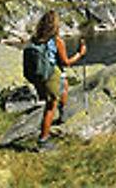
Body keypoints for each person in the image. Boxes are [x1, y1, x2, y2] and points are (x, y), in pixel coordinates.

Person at [31, 10, 86, 151]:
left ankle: (62, 114)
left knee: (65, 85)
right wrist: (80, 54)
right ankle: (43, 141)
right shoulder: (57, 41)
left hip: (43, 74)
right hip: (52, 75)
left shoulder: (36, 39)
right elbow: (66, 62)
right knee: (50, 108)